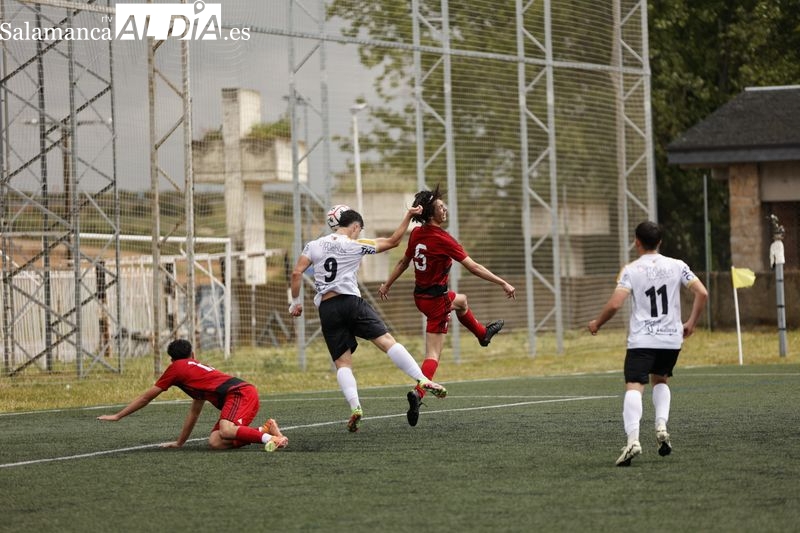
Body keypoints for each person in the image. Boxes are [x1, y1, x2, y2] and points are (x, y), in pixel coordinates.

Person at [289, 205, 447, 432]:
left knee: (342, 363)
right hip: (351, 302)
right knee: (386, 341)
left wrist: (295, 303)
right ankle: (422, 379)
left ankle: (355, 408)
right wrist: (409, 215)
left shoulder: (313, 245)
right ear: (355, 226)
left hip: (327, 308)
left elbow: (296, 273)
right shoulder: (356, 245)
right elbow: (393, 241)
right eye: (359, 230)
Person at [378, 185, 516, 427]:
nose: (445, 209)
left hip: (420, 296)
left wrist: (387, 284)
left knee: (461, 301)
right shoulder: (443, 239)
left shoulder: (417, 234)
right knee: (433, 354)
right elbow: (473, 267)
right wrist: (502, 282)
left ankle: (483, 335)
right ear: (432, 213)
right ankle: (418, 393)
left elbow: (403, 261)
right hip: (436, 302)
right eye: (441, 207)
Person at [588, 221, 708, 466]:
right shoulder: (678, 265)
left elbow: (614, 304)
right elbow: (702, 293)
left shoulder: (631, 270)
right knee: (661, 379)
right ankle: (661, 425)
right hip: (671, 338)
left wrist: (597, 323)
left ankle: (633, 440)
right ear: (660, 242)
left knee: (634, 386)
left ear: (637, 242)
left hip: (642, 339)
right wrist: (691, 323)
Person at [98, 339, 288, 452]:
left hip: (240, 393)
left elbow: (146, 397)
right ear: (193, 354)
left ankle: (271, 440)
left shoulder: (176, 368)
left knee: (227, 430)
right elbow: (194, 412)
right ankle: (265, 430)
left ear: (172, 360)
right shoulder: (196, 375)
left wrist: (117, 416)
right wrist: (180, 442)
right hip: (242, 394)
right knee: (216, 442)